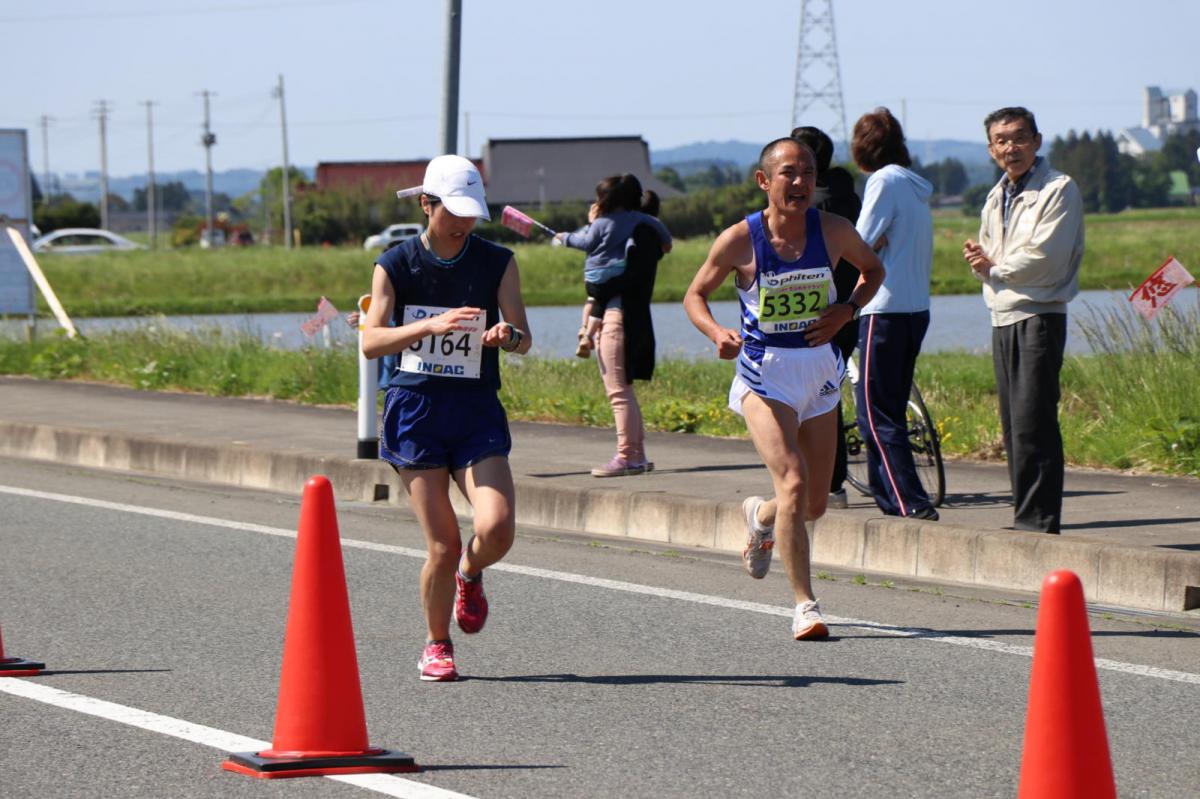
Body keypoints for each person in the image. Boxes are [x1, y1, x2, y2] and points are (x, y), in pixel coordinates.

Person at [684, 138, 884, 639]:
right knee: (793, 482)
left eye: (808, 174)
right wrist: (717, 333)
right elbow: (695, 295)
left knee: (812, 503)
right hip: (764, 374)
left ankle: (761, 515)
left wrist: (847, 308)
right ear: (764, 181)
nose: (800, 183)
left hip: (819, 371)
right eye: (788, 173)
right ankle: (805, 606)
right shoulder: (739, 240)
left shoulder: (834, 231)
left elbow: (873, 271)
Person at [361, 154, 533, 682]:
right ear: (425, 204)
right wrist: (429, 327)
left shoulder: (497, 262)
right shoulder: (395, 263)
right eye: (451, 212)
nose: (461, 224)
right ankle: (438, 644)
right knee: (442, 542)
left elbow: (524, 337)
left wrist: (509, 336)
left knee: (497, 527)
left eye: (470, 214)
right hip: (415, 411)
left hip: (475, 408)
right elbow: (371, 341)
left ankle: (471, 573)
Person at [963, 107, 1084, 534]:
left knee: (1035, 420)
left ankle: (1039, 519)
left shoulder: (1058, 189)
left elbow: (1045, 257)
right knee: (1014, 423)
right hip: (1002, 314)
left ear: (1037, 140)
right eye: (1000, 140)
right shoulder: (998, 194)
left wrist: (993, 266)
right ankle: (1024, 513)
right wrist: (982, 262)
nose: (1009, 148)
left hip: (1040, 312)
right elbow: (993, 255)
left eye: (1018, 138)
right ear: (991, 148)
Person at [849, 108, 938, 521]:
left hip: (882, 309)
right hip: (915, 307)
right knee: (888, 408)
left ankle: (911, 502)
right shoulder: (915, 186)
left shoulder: (882, 181)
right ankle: (887, 498)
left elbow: (857, 243)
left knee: (875, 411)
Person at [557, 178, 673, 477]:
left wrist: (599, 290)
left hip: (618, 316)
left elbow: (618, 276)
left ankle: (626, 457)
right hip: (624, 315)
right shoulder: (640, 228)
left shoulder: (633, 233)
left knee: (618, 391)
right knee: (624, 390)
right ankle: (636, 454)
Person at [790, 125, 863, 510]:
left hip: (815, 312)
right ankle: (827, 483)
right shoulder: (847, 191)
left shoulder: (808, 201)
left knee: (815, 396)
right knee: (827, 391)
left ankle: (825, 483)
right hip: (849, 306)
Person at [556, 174, 672, 361]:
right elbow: (657, 225)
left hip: (593, 277)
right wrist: (666, 243)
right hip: (616, 273)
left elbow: (586, 243)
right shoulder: (636, 218)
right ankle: (587, 335)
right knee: (601, 301)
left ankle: (585, 330)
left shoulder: (600, 223)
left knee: (593, 299)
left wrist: (565, 238)